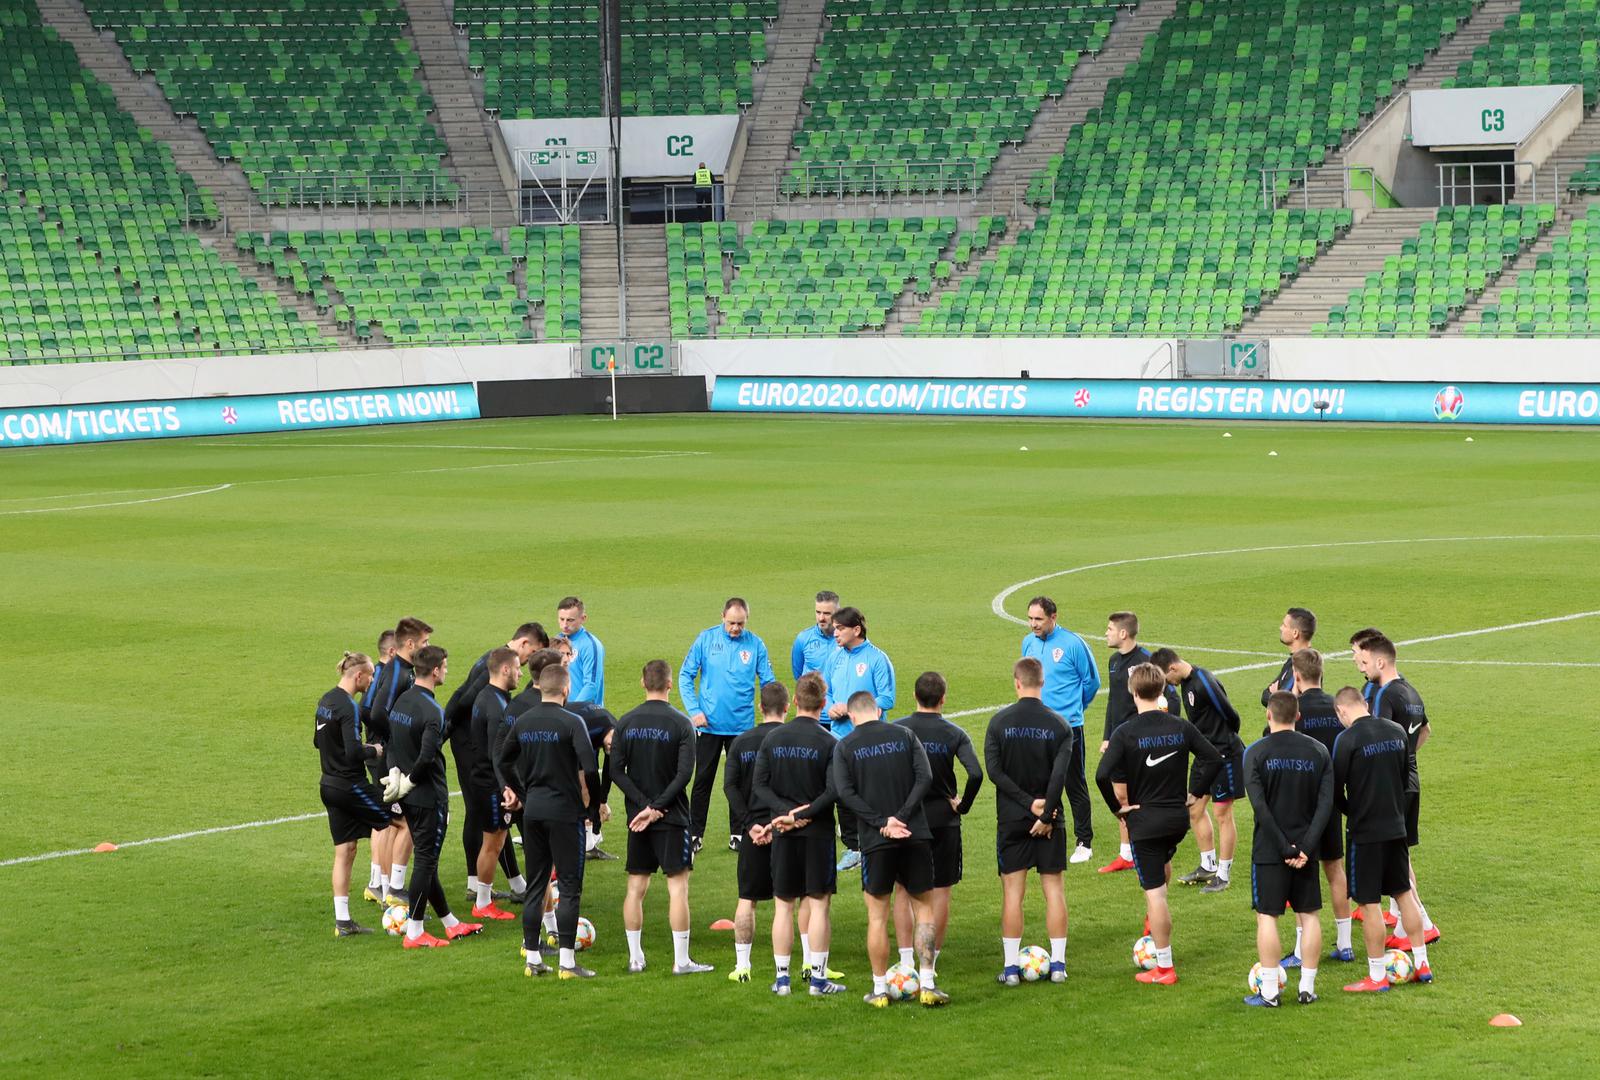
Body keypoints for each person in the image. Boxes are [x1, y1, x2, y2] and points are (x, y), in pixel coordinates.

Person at [1096, 662, 1223, 986]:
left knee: (1156, 896)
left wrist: (1118, 810)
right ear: (1163, 689)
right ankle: (1154, 926)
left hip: (1145, 822)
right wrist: (1194, 794)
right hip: (1177, 820)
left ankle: (1164, 966)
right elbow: (1214, 758)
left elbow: (1101, 774)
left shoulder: (1125, 732)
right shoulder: (1180, 726)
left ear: (1133, 692)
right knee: (1162, 867)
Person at [832, 692, 948, 1008]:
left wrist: (882, 822)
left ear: (852, 717)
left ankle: (880, 990)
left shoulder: (845, 746)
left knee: (877, 917)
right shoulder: (905, 734)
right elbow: (925, 777)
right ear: (878, 711)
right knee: (923, 909)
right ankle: (927, 984)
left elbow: (844, 793)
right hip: (915, 834)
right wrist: (903, 816)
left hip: (876, 841)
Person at [496, 663, 601, 979]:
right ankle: (567, 964)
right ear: (566, 690)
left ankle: (533, 959)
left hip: (533, 812)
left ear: (540, 688)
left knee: (536, 885)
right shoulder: (573, 722)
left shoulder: (525, 720)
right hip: (565, 813)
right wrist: (593, 807)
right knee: (569, 888)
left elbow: (503, 758)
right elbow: (591, 769)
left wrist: (522, 789)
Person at [1331, 687, 1433, 991]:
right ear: (1365, 704)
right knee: (1403, 892)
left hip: (1365, 832)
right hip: (1396, 826)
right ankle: (1422, 962)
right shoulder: (1397, 731)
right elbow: (1406, 777)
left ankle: (1376, 976)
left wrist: (1353, 811)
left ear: (1341, 712)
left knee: (1369, 902)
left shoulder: (1346, 739)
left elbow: (1336, 790)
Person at [612, 660, 710, 975]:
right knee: (677, 889)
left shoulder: (626, 722)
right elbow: (684, 775)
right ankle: (681, 961)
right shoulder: (682, 724)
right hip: (673, 818)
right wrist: (658, 807)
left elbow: (615, 771)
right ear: (669, 684)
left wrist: (643, 806)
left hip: (637, 818)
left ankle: (635, 958)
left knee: (635, 887)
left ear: (643, 682)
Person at [383, 645, 483, 948]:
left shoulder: (403, 700)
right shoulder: (432, 711)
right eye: (446, 667)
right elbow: (427, 756)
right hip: (428, 797)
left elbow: (392, 742)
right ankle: (414, 932)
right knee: (426, 862)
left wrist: (396, 776)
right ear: (437, 670)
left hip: (410, 796)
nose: (447, 671)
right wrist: (411, 781)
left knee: (428, 860)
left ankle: (450, 923)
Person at [754, 672, 845, 997]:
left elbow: (759, 785)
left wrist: (784, 814)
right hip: (817, 833)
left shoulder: (773, 739)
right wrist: (803, 814)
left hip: (783, 834)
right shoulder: (830, 742)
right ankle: (818, 980)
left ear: (794, 701)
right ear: (823, 704)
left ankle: (782, 980)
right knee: (818, 906)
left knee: (783, 907)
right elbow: (835, 790)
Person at [1242, 692, 1334, 1006]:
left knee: (1267, 917)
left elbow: (1260, 807)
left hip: (1270, 851)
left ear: (1269, 716)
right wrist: (1305, 847)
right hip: (1307, 852)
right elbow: (1325, 805)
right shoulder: (1319, 751)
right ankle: (1306, 988)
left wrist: (1283, 847)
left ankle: (1269, 992)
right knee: (1309, 916)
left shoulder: (1254, 753)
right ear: (1297, 716)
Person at [985, 658, 1073, 987]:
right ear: (1042, 682)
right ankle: (1060, 965)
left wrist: (1025, 804)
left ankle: (1010, 969)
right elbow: (1060, 775)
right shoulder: (1059, 725)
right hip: (1050, 820)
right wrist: (1047, 813)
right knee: (1054, 891)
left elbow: (995, 773)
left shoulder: (998, 723)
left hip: (1011, 819)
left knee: (1012, 893)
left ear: (1017, 682)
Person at [446, 623, 547, 904]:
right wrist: (442, 731)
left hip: (477, 752)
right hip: (477, 755)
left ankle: (512, 884)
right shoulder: (493, 694)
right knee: (489, 824)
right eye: (532, 654)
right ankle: (480, 892)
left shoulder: (491, 667)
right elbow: (463, 701)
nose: (525, 667)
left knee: (496, 826)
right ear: (524, 644)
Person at [891, 671, 981, 971]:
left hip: (908, 821)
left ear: (914, 697)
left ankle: (905, 962)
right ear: (943, 699)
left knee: (903, 890)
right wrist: (963, 806)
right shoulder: (954, 733)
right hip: (944, 820)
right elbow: (976, 774)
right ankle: (931, 960)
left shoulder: (898, 729)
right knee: (940, 890)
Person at [1358, 634, 1439, 950]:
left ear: (1380, 662)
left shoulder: (1385, 696)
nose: (1361, 668)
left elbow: (1377, 739)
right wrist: (1407, 759)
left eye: (1364, 662)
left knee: (1394, 858)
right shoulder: (1411, 691)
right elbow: (1426, 731)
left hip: (1391, 787)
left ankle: (1424, 922)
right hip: (1411, 780)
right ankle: (1410, 927)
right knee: (1400, 856)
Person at [680, 598, 778, 853]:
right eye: (731, 623)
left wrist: (771, 714)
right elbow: (685, 674)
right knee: (702, 781)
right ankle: (695, 834)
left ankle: (739, 832)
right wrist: (694, 711)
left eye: (740, 623)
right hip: (709, 726)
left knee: (742, 783)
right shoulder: (706, 639)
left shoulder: (756, 644)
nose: (735, 628)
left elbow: (768, 682)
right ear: (722, 615)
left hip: (742, 728)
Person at [1150, 647, 1243, 894]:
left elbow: (1231, 715)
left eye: (1164, 678)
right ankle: (1207, 865)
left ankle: (1223, 874)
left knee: (1223, 813)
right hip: (1205, 756)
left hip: (1224, 756)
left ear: (1172, 668)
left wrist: (1222, 741)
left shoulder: (1203, 682)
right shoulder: (1185, 683)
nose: (1165, 684)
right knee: (1194, 808)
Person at [1284, 649, 1356, 967]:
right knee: (1335, 868)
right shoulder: (1338, 707)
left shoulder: (1292, 710)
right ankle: (1345, 944)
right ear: (1321, 673)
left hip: (1301, 805)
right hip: (1333, 800)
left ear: (1296, 677)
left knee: (1303, 874)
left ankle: (1302, 951)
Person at [316, 651, 394, 936]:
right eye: (371, 675)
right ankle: (391, 894)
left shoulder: (325, 700)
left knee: (346, 851)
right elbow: (352, 752)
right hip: (350, 785)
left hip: (328, 784)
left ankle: (343, 921)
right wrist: (373, 750)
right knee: (392, 822)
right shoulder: (348, 706)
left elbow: (317, 741)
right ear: (358, 675)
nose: (372, 680)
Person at [1020, 596, 1101, 865]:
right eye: (1030, 618)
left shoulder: (1073, 644)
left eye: (1038, 619)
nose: (1033, 624)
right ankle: (1052, 827)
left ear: (1053, 617)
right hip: (1037, 726)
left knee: (1073, 782)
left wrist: (1076, 708)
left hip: (1068, 727)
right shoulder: (1028, 643)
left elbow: (1092, 681)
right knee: (1042, 781)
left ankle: (1084, 842)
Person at [1098, 612, 1179, 874]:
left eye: (1110, 629)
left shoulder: (1145, 661)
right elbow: (1113, 701)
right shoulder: (1113, 662)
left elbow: (1171, 697)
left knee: (1138, 794)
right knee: (1120, 794)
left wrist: (1163, 726)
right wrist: (1107, 736)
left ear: (1123, 633)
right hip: (1119, 740)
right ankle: (1126, 854)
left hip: (1139, 741)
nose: (1106, 633)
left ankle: (1141, 847)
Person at [724, 681, 790, 983]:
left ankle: (742, 966)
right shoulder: (790, 741)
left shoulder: (741, 741)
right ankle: (794, 968)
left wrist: (750, 824)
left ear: (759, 707)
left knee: (747, 898)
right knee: (785, 901)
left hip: (752, 832)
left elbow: (730, 787)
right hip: (785, 829)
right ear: (787, 708)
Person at [821, 606, 895, 871]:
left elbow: (887, 698)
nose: (835, 632)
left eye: (840, 628)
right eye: (834, 628)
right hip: (839, 737)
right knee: (843, 791)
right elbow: (827, 692)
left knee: (871, 792)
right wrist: (830, 706)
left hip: (870, 739)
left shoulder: (877, 659)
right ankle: (854, 847)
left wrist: (852, 709)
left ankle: (875, 843)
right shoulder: (835, 657)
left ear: (856, 629)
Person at [364, 618, 430, 906]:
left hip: (388, 753)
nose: (427, 647)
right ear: (411, 644)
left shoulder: (399, 670)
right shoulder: (397, 672)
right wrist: (395, 738)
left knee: (389, 822)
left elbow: (366, 706)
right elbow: (376, 711)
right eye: (424, 643)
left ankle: (380, 884)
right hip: (389, 757)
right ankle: (392, 889)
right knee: (401, 823)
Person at [466, 647, 525, 922]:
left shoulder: (486, 696)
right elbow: (497, 753)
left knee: (495, 841)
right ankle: (482, 903)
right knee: (493, 843)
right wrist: (506, 787)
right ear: (505, 670)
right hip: (491, 784)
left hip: (482, 779)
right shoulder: (497, 705)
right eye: (517, 668)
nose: (520, 673)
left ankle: (484, 898)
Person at [1262, 607, 1317, 705]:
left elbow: (1282, 701)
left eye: (1284, 625)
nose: (1280, 628)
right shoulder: (1295, 660)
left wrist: (1274, 695)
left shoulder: (1303, 664)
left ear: (1295, 633)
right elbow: (1266, 694)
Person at [557, 596, 605, 706]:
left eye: (570, 620)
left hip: (584, 715)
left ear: (583, 618)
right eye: (561, 619)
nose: (564, 625)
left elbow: (591, 686)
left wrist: (570, 710)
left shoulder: (591, 645)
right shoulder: (556, 641)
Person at [790, 590, 840, 679]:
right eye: (818, 612)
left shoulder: (847, 639)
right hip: (812, 693)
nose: (821, 618)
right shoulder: (803, 638)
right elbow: (798, 675)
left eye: (827, 613)